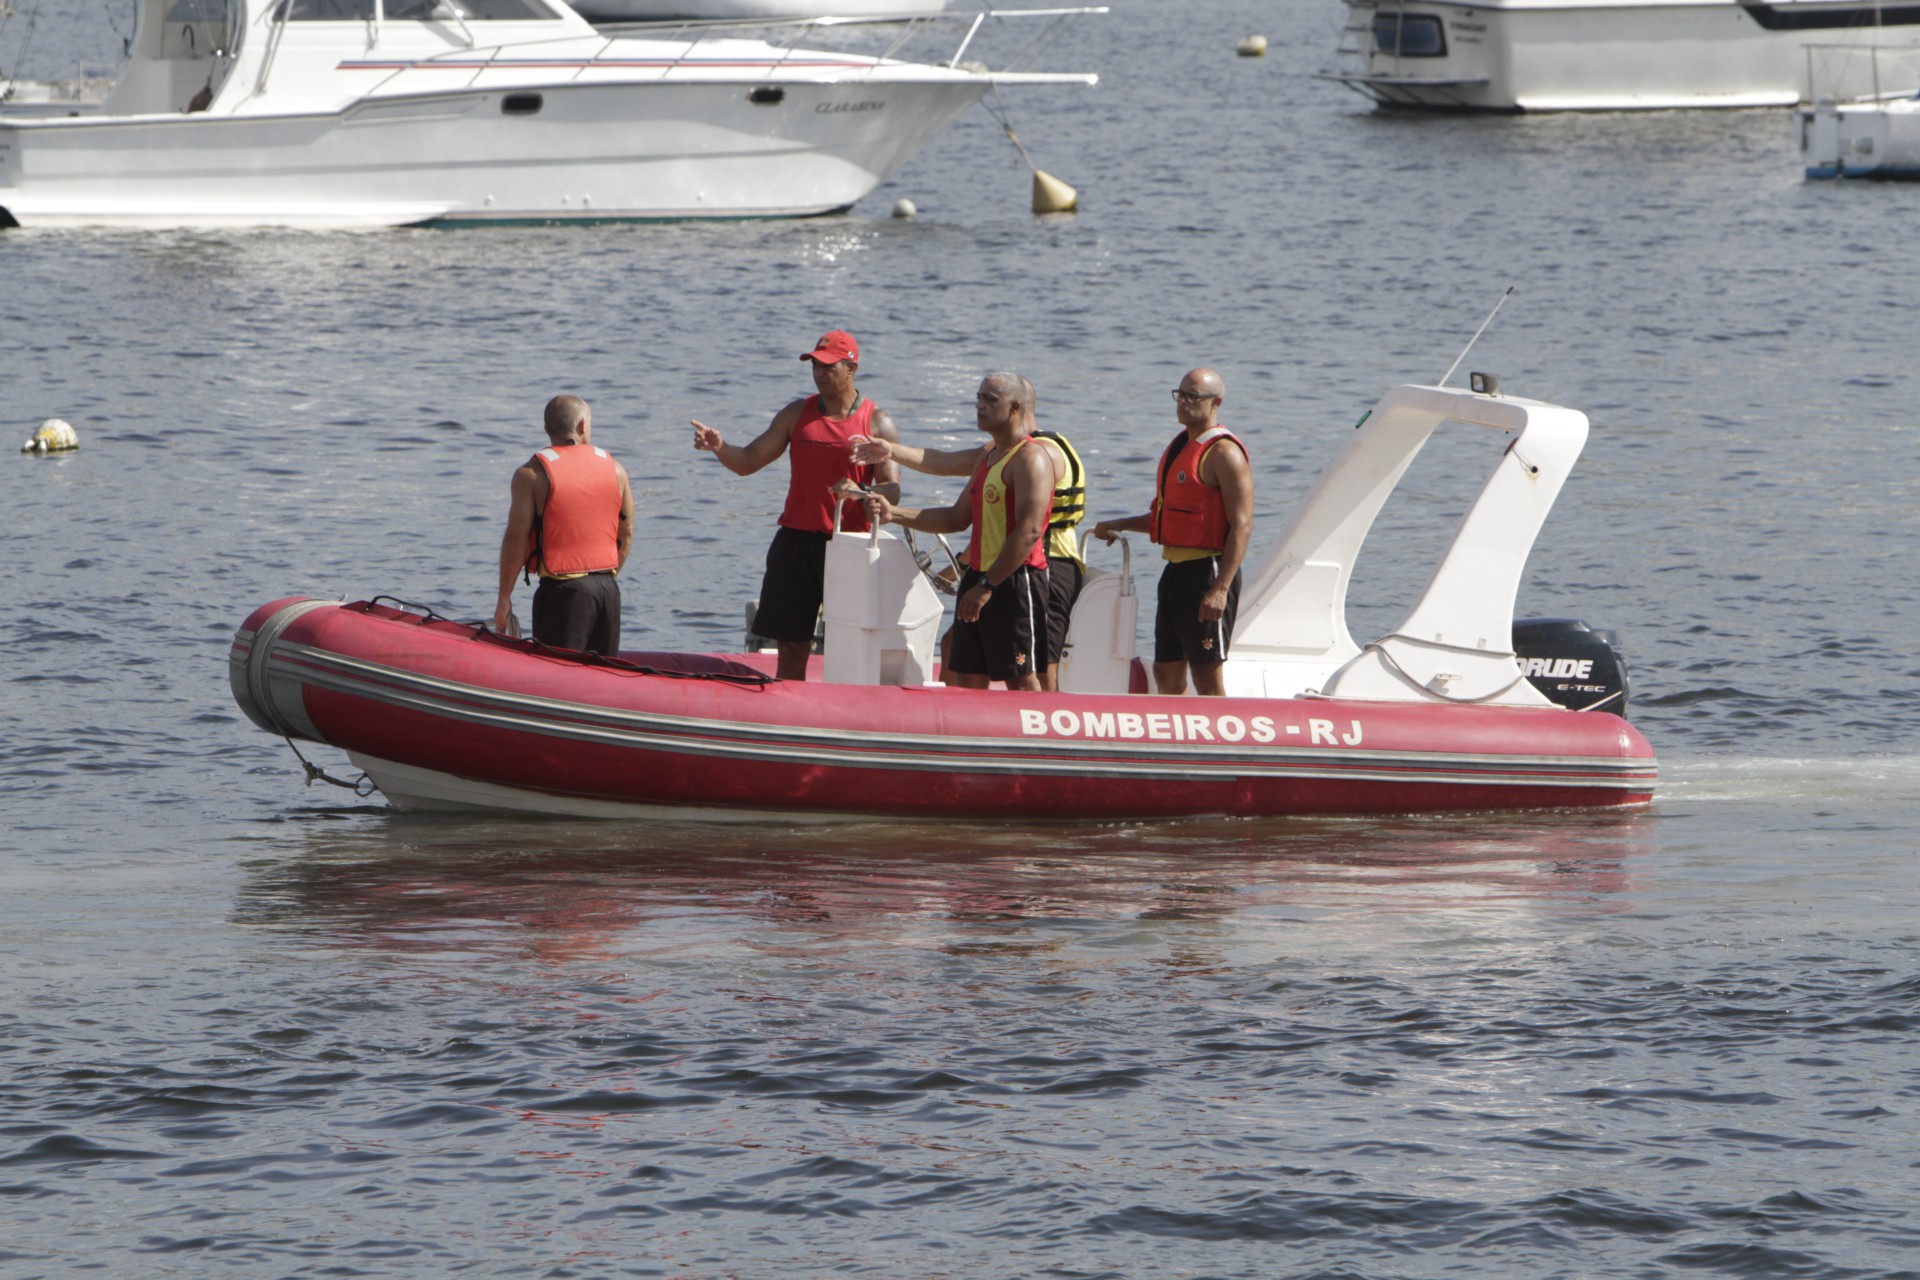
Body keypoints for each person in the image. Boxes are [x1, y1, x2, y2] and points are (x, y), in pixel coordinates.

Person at [851, 375, 1088, 690]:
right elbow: (955, 516)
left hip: (1020, 577)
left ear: (1015, 408)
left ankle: (1043, 721)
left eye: (990, 400)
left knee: (1026, 676)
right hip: (979, 574)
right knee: (965, 671)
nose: (979, 406)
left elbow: (1029, 531)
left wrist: (987, 586)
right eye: (978, 397)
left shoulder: (1033, 457)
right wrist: (894, 514)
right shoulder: (989, 457)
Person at [691, 330, 901, 681]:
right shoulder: (796, 414)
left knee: (850, 645)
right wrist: (719, 447)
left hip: (849, 546)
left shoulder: (878, 422)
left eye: (829, 366)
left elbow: (892, 490)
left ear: (851, 369)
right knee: (790, 647)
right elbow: (748, 461)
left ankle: (847, 707)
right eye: (815, 365)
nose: (819, 373)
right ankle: (789, 704)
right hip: (795, 544)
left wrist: (864, 494)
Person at [1090, 367, 1252, 697]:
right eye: (1180, 394)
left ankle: (1219, 730)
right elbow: (1168, 519)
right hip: (1175, 573)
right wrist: (1121, 523)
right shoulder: (1180, 447)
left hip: (1208, 572)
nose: (1183, 402)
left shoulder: (1224, 453)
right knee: (1166, 672)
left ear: (1216, 402)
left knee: (1206, 676)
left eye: (1193, 396)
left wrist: (1220, 590)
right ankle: (1177, 729)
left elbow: (1242, 525)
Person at [494, 394, 634, 656]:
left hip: (563, 594)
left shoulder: (530, 475)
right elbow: (625, 534)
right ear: (582, 426)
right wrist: (603, 578)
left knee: (557, 673)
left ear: (547, 428)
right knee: (603, 675)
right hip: (607, 592)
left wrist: (504, 598)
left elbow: (516, 538)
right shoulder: (616, 470)